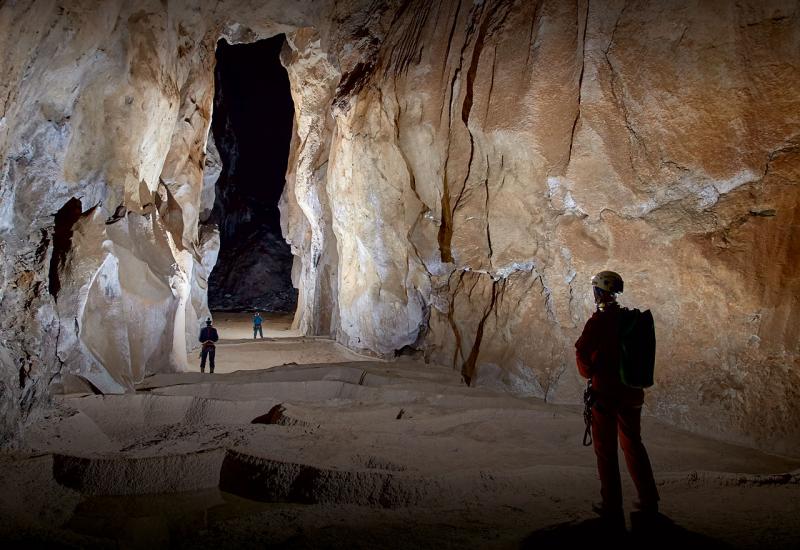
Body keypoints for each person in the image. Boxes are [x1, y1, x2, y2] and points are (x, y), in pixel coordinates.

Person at [575, 271, 660, 526]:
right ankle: (649, 499)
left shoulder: (600, 321)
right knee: (633, 444)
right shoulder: (629, 319)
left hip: (607, 395)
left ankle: (611, 504)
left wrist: (590, 372)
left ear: (598, 292)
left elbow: (582, 351)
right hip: (632, 394)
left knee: (606, 450)